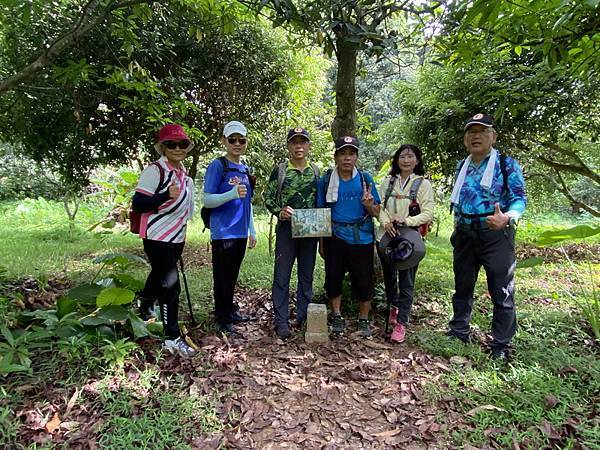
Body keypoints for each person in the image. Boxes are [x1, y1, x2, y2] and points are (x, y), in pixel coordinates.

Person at [448, 113, 526, 360]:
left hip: (496, 234)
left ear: (493, 136)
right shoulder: (463, 165)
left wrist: (507, 217)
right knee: (462, 284)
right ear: (465, 139)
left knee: (501, 288)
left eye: (482, 131)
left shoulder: (507, 164)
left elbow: (519, 199)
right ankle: (459, 330)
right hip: (464, 234)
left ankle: (501, 344)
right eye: (471, 132)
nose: (476, 136)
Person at [132, 123, 197, 357]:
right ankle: (172, 337)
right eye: (171, 144)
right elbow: (138, 203)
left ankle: (144, 307)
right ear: (162, 147)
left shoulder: (182, 172)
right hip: (157, 236)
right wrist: (162, 196)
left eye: (182, 144)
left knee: (157, 276)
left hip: (176, 237)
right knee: (171, 285)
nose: (177, 148)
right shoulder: (154, 171)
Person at [317, 136, 381, 338]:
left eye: (351, 153)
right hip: (335, 235)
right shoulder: (326, 180)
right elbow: (321, 212)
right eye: (343, 153)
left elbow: (377, 211)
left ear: (357, 157)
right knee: (333, 276)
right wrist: (321, 241)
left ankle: (363, 318)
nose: (347, 158)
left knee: (364, 279)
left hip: (362, 236)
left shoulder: (365, 179)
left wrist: (369, 205)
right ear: (336, 156)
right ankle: (336, 315)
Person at [264, 127, 319, 339]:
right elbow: (268, 196)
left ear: (308, 145)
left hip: (309, 231)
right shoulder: (280, 170)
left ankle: (303, 317)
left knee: (306, 275)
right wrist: (279, 212)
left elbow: (320, 200)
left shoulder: (315, 171)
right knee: (282, 276)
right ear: (288, 146)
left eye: (303, 142)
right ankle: (281, 321)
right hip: (286, 230)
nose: (299, 146)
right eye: (294, 142)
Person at [203, 121, 256, 337]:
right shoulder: (218, 166)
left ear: (246, 142)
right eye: (232, 139)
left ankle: (229, 310)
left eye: (241, 140)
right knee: (222, 275)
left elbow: (248, 203)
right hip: (223, 231)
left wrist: (252, 230)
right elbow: (207, 200)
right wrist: (231, 194)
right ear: (224, 141)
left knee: (232, 274)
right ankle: (222, 317)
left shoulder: (246, 169)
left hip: (241, 232)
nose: (237, 143)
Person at [376, 144, 434, 344]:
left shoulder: (422, 184)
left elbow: (428, 212)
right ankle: (393, 306)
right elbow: (379, 205)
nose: (406, 160)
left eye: (410, 156)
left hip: (410, 239)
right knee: (389, 276)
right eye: (402, 156)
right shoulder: (388, 181)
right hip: (386, 236)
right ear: (396, 159)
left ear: (417, 160)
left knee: (407, 281)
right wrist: (385, 221)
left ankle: (402, 323)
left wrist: (407, 221)